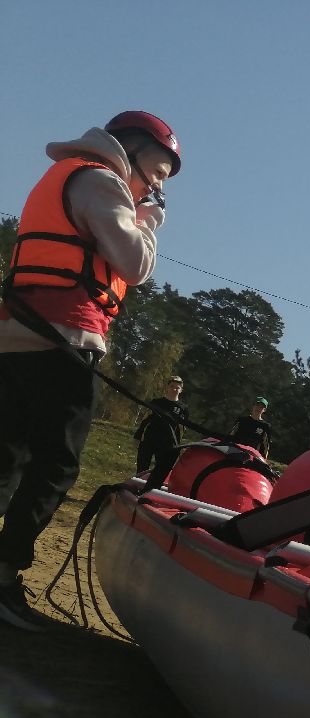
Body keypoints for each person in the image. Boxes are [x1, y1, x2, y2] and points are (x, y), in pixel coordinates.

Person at [0, 111, 179, 631]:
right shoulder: (102, 180)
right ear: (132, 149)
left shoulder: (67, 174)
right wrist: (147, 220)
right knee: (55, 464)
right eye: (157, 173)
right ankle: (5, 571)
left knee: (8, 454)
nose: (155, 186)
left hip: (17, 335)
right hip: (63, 337)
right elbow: (135, 265)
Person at [133, 374, 188, 475]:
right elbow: (145, 420)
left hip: (167, 444)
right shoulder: (156, 402)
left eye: (177, 388)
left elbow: (181, 429)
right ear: (167, 387)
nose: (174, 389)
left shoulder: (183, 409)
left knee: (160, 472)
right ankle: (137, 487)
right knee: (142, 468)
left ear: (181, 390)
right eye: (172, 386)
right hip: (149, 439)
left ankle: (152, 489)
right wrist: (137, 436)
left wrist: (178, 446)